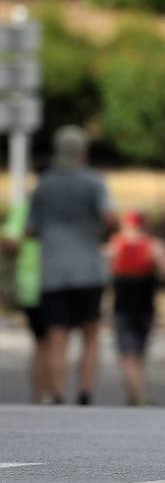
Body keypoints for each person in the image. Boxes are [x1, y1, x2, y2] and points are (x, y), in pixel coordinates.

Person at [25, 126, 117, 405]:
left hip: (53, 271)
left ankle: (56, 393)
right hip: (88, 270)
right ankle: (85, 390)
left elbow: (31, 230)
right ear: (84, 152)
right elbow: (110, 218)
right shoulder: (94, 182)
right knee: (90, 334)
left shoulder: (45, 184)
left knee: (56, 336)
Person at [105, 210, 165, 406]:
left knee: (127, 354)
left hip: (123, 305)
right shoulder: (154, 246)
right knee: (138, 351)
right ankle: (136, 392)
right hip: (146, 305)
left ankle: (137, 395)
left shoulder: (115, 244)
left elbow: (103, 270)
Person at [2, 191, 50, 403]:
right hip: (33, 284)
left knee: (50, 341)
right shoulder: (25, 209)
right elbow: (10, 242)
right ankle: (43, 396)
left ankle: (48, 394)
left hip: (54, 282)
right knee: (45, 341)